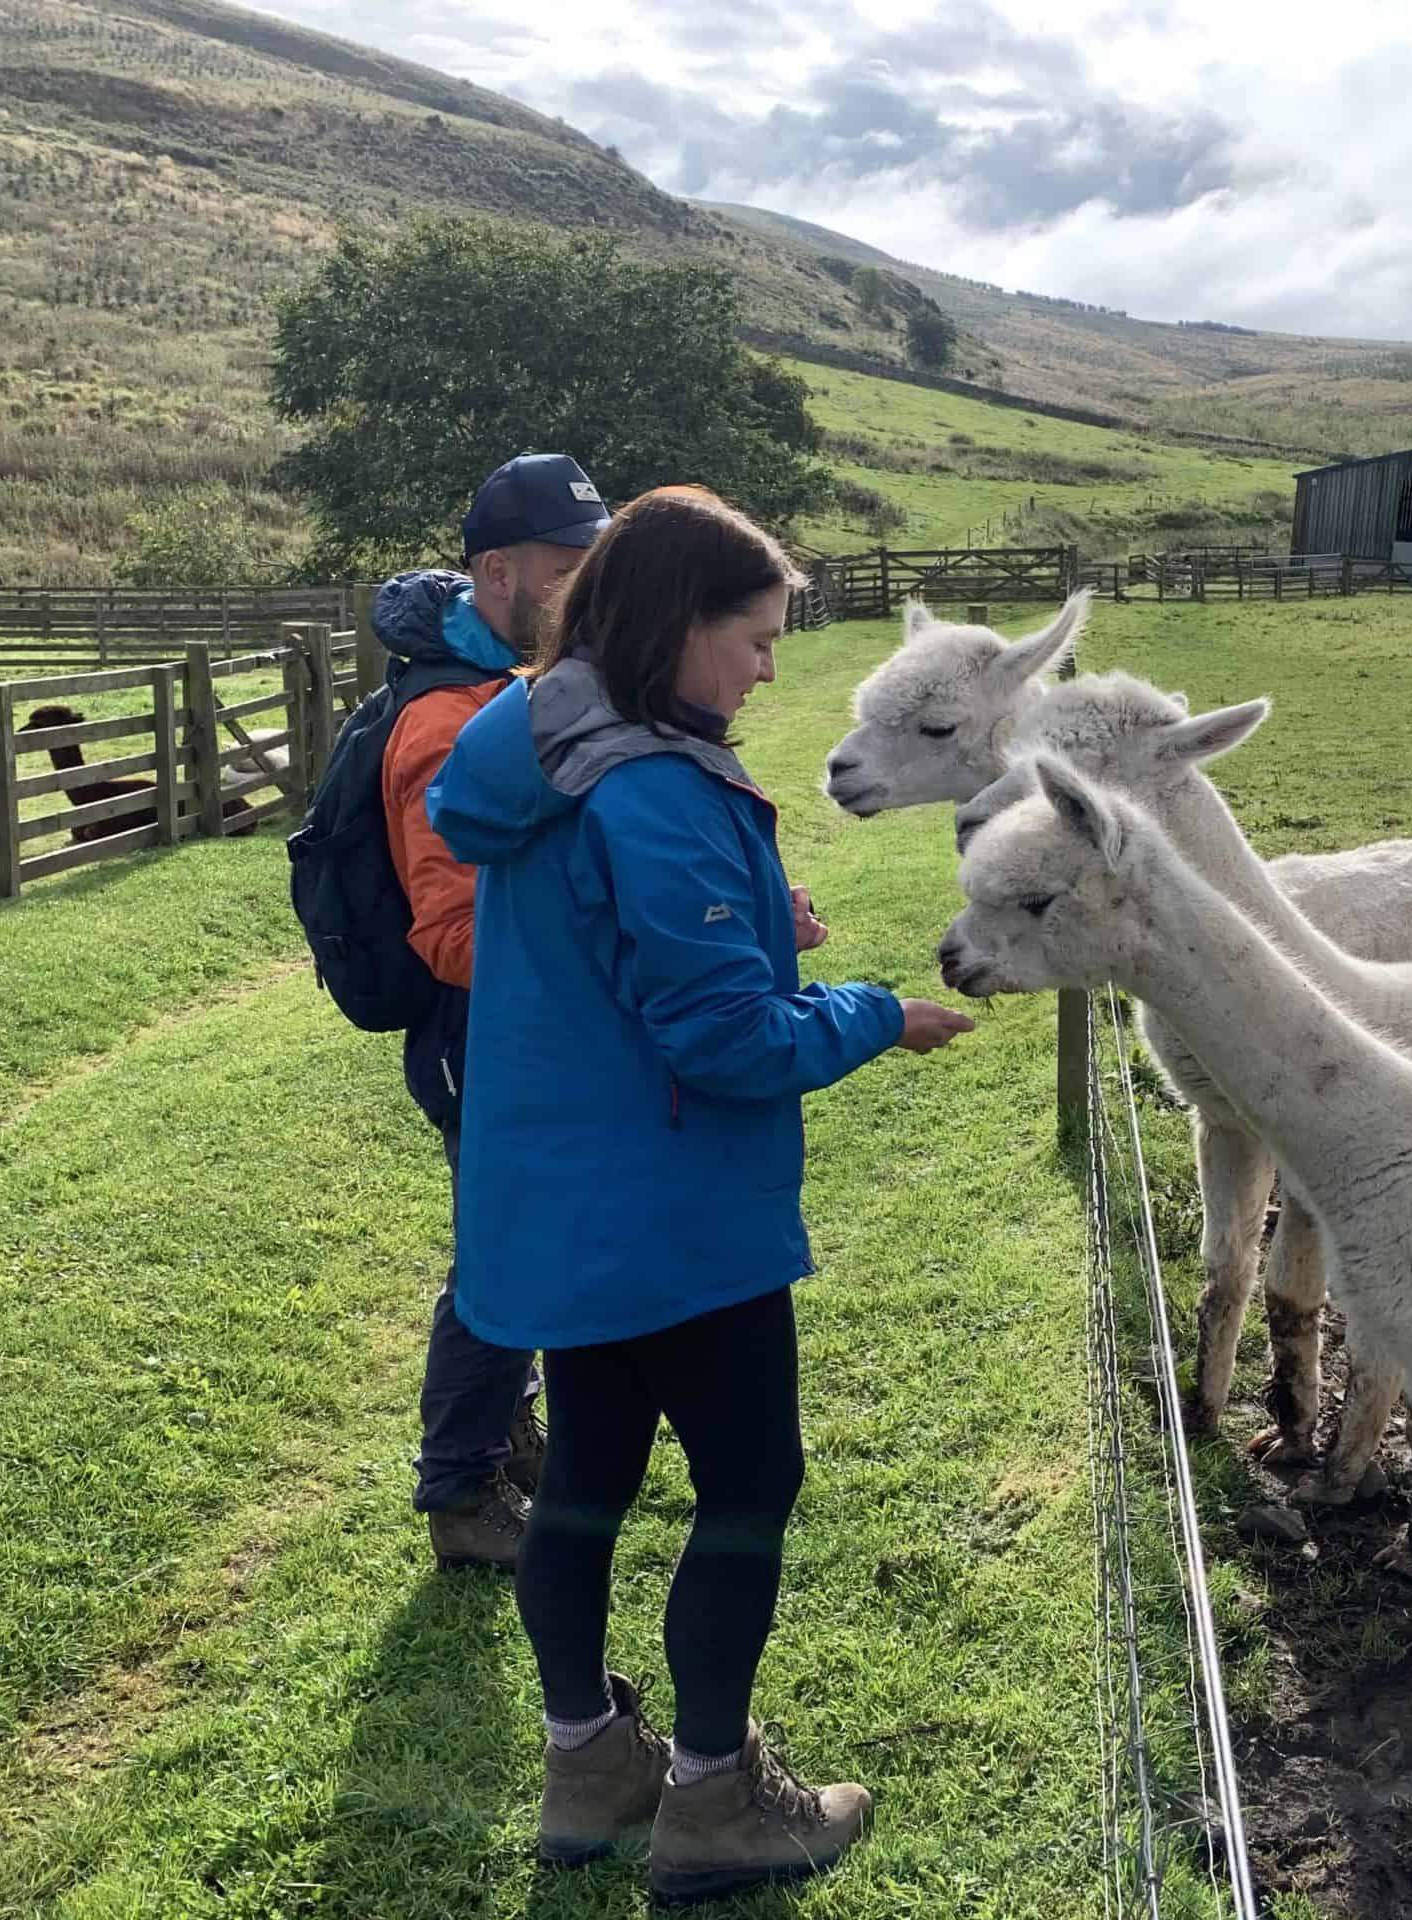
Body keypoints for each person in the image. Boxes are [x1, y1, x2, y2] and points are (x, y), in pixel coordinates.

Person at [427, 485, 974, 1902]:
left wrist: (756, 931)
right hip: (673, 1224)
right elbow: (726, 1043)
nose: (769, 667)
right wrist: (867, 1013)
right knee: (747, 1486)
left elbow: (616, 952)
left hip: (565, 1206)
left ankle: (585, 1764)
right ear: (677, 624)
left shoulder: (541, 743)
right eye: (756, 637)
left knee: (590, 1486)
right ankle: (717, 1801)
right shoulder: (657, 783)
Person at [380, 453, 610, 1570]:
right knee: (501, 1253)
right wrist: (603, 945)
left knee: (528, 1236)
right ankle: (460, 1495)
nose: (584, 595)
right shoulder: (444, 722)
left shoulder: (500, 689)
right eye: (566, 572)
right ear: (495, 571)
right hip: (483, 1036)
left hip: (522, 1029)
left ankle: (505, 1432)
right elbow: (453, 935)